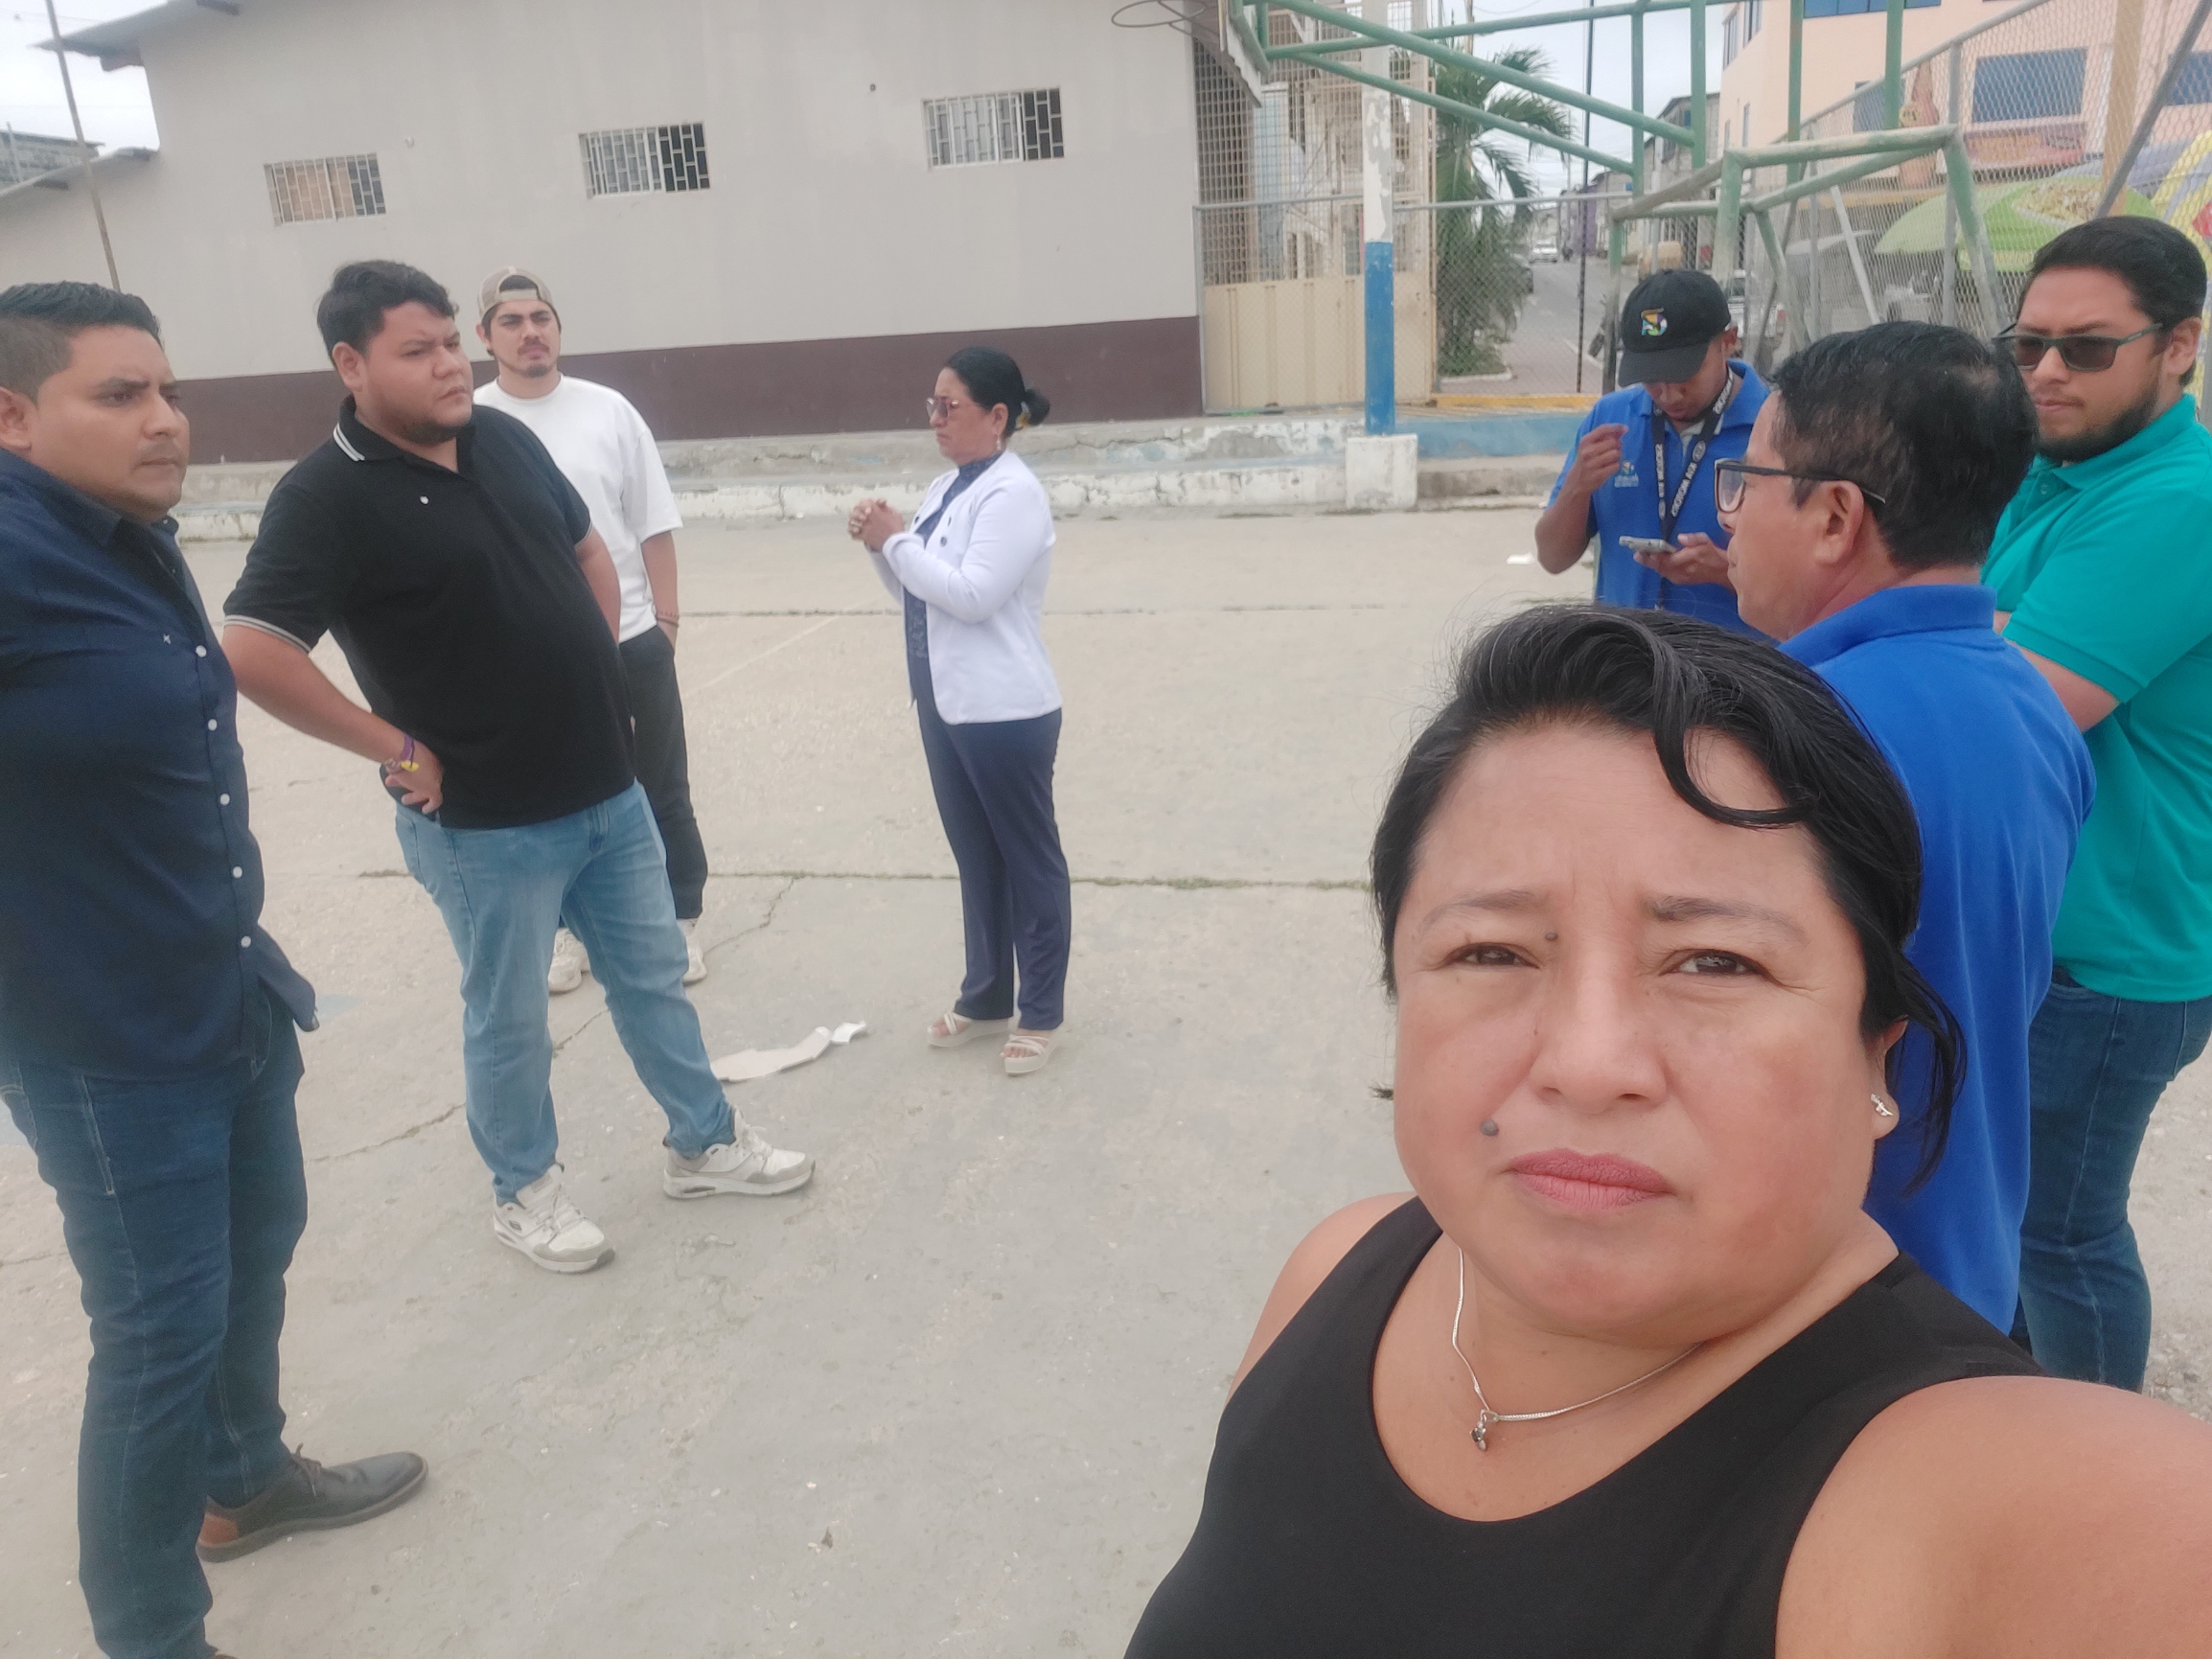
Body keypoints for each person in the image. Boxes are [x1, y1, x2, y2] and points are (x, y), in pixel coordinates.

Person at [1125, 607, 2212, 1659]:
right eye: (1492, 952)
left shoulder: (2023, 1508)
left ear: (1875, 1055)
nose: (1588, 1063)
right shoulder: (1332, 1271)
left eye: (1716, 963)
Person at [221, 261, 812, 1277]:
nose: (452, 364)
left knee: (653, 981)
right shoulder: (325, 497)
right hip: (486, 824)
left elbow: (588, 550)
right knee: (510, 1020)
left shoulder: (500, 438)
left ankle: (703, 1143)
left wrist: (595, 667)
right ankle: (525, 1190)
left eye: (453, 342)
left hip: (608, 790)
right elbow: (253, 650)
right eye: (419, 350)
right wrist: (396, 747)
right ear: (351, 364)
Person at [0, 282, 424, 1659]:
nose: (166, 419)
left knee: (257, 1247)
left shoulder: (124, 537)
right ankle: (152, 1635)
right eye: (119, 395)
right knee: (156, 1336)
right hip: (103, 1038)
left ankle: (245, 1481)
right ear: (12, 417)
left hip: (225, 982)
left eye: (169, 391)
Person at [1716, 321, 2092, 1329]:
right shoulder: (2032, 709)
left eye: (1745, 480)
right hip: (1965, 1259)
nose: (1730, 515)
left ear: (1835, 516)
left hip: (1824, 1286)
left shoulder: (1784, 740)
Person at [1982, 217, 2212, 1388]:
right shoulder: (2058, 471)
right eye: (2027, 346)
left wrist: (1979, 634)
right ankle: (2027, 1411)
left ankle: (2092, 1459)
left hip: (2111, 950)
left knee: (2060, 1232)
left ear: (2178, 346)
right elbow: (1971, 637)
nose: (2045, 374)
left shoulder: (2179, 499)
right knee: (2016, 1213)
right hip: (2045, 924)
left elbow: (2018, 703)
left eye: (2084, 348)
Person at [472, 266, 709, 993]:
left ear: (557, 328)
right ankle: (564, 936)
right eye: (512, 321)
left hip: (631, 639)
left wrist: (665, 624)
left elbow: (653, 524)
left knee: (658, 786)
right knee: (550, 796)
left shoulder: (609, 411)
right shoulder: (470, 420)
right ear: (484, 337)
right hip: (526, 653)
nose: (530, 332)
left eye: (541, 318)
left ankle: (679, 921)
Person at [846, 347, 1071, 1076]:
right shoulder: (948, 486)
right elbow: (919, 588)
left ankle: (1041, 1011)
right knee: (977, 858)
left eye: (951, 407)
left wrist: (896, 539)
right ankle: (987, 994)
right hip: (945, 702)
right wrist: (882, 547)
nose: (936, 419)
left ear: (998, 416)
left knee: (1027, 860)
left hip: (1004, 710)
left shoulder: (1014, 494)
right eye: (932, 406)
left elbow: (972, 595)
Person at [1533, 267, 1768, 636]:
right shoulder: (1610, 419)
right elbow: (1552, 558)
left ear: (1728, 341)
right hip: (1626, 660)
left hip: (1733, 664)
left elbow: (1814, 592)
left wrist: (1727, 571)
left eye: (1683, 374)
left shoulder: (1776, 429)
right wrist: (1577, 488)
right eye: (1651, 378)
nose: (1668, 394)